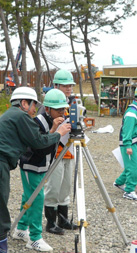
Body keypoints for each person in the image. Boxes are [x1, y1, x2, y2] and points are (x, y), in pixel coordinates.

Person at [0, 87, 71, 253]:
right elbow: (39, 142)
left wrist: (54, 131)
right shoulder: (21, 116)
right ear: (24, 103)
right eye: (34, 105)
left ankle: (0, 239)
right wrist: (59, 133)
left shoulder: (12, 115)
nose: (35, 110)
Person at [12, 89, 69, 252]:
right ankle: (35, 238)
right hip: (32, 165)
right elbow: (39, 147)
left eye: (63, 109)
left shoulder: (55, 121)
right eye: (58, 110)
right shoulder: (37, 122)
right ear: (48, 109)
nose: (62, 113)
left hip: (42, 166)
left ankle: (21, 229)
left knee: (28, 197)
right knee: (36, 199)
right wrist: (56, 132)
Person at [43, 69, 78, 235]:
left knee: (65, 187)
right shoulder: (48, 107)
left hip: (69, 151)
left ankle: (62, 220)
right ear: (56, 85)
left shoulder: (73, 103)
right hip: (55, 153)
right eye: (65, 85)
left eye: (70, 85)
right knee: (54, 188)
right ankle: (50, 223)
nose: (69, 88)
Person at [113, 84, 137, 201]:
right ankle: (129, 191)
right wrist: (128, 145)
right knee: (133, 168)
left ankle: (119, 182)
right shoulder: (132, 112)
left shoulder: (135, 110)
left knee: (131, 166)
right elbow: (127, 131)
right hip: (129, 144)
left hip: (133, 143)